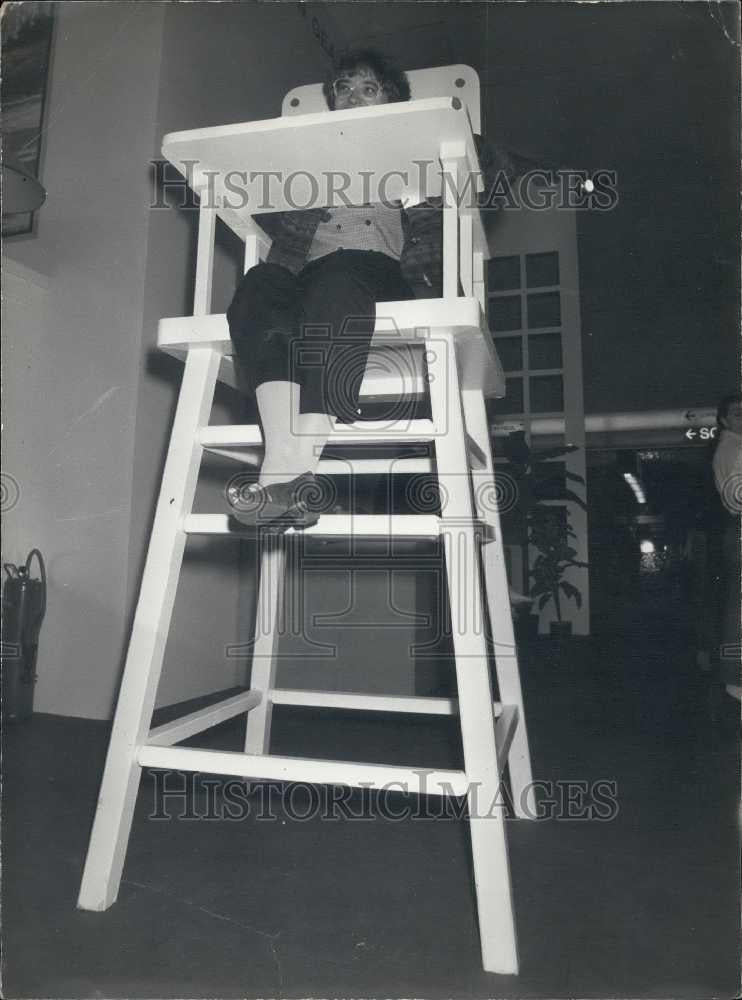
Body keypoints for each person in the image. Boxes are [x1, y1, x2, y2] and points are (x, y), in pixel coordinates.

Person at [225, 48, 517, 531]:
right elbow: (256, 197)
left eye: (369, 89)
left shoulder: (417, 154)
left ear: (390, 99)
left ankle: (290, 470)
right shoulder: (312, 159)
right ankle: (288, 470)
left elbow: (496, 174)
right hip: (304, 275)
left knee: (340, 280)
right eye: (344, 88)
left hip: (384, 276)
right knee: (258, 286)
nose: (354, 97)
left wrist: (432, 132)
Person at [710, 393, 742, 698]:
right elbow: (736, 495)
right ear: (723, 420)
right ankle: (736, 678)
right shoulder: (732, 447)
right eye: (736, 412)